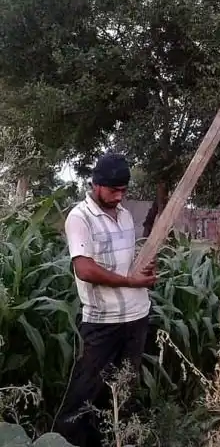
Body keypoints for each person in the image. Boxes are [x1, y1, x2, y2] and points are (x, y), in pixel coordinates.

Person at [56, 152, 156, 447]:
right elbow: (84, 269)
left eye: (124, 190)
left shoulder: (125, 215)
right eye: (114, 190)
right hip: (102, 321)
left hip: (136, 316)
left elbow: (126, 263)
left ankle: (115, 441)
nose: (119, 196)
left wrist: (144, 269)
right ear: (96, 184)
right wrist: (130, 281)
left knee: (123, 391)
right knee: (83, 395)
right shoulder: (80, 218)